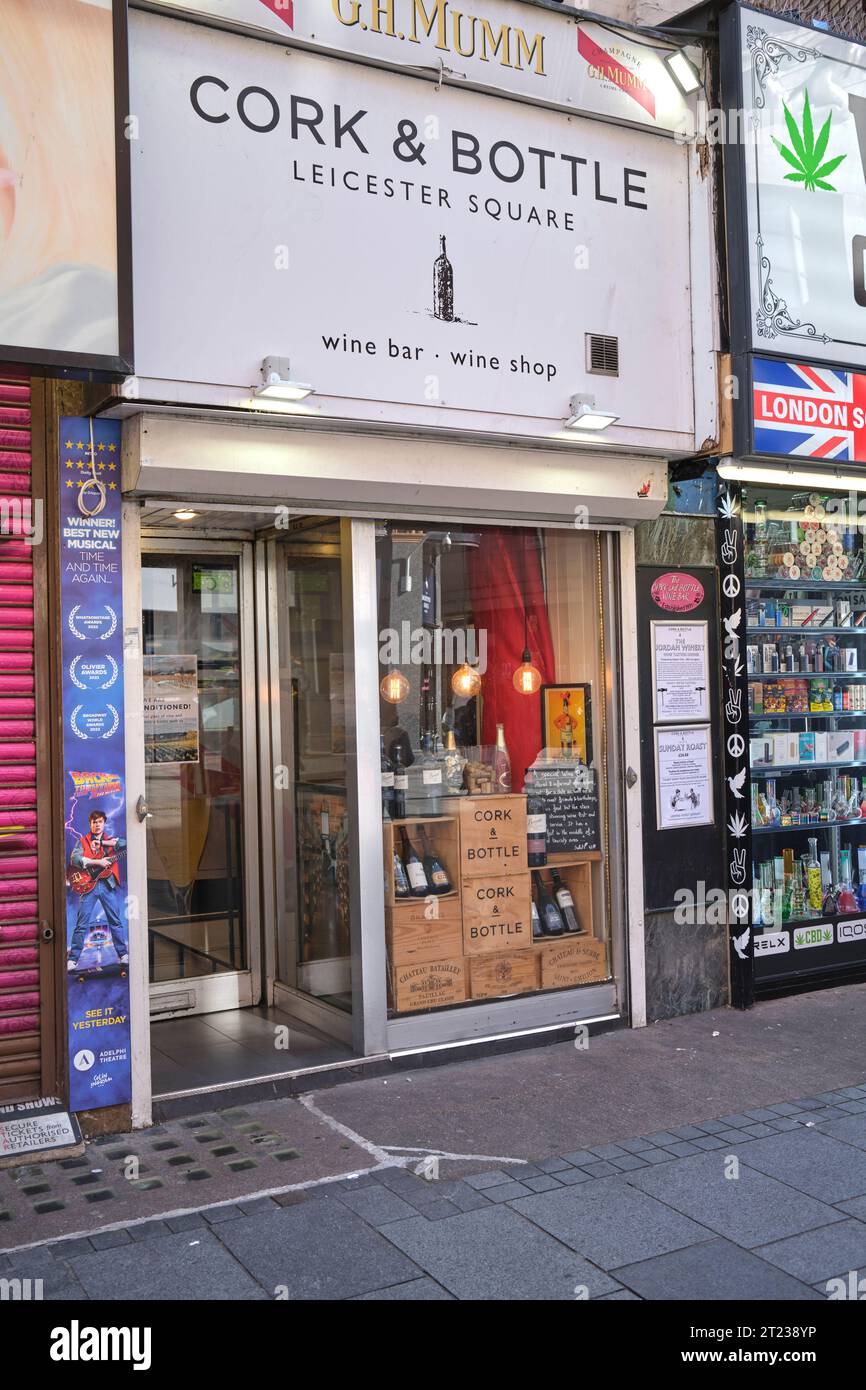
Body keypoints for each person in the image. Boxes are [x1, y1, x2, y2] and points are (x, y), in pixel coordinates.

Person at [67, 808, 127, 970]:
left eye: (100, 821)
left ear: (104, 823)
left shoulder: (110, 841)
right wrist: (98, 862)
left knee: (115, 920)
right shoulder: (83, 841)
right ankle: (73, 959)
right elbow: (75, 859)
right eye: (94, 822)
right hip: (89, 886)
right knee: (81, 923)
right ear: (90, 824)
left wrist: (101, 843)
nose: (97, 824)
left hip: (107, 885)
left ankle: (123, 955)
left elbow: (124, 844)